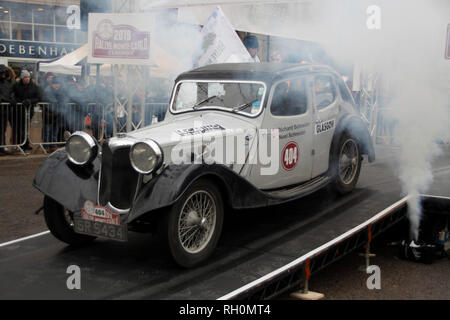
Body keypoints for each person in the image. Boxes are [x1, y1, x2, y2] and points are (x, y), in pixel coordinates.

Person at [12, 70, 42, 151]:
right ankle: (20, 144)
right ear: (22, 78)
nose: (27, 79)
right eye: (25, 77)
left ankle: (26, 144)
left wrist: (30, 101)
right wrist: (17, 101)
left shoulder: (34, 86)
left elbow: (38, 97)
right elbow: (12, 95)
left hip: (29, 110)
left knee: (26, 128)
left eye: (28, 77)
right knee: (19, 128)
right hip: (18, 110)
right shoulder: (16, 86)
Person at [43, 76, 66, 152]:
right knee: (47, 131)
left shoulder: (61, 91)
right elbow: (53, 101)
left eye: (58, 84)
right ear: (52, 84)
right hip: (48, 114)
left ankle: (53, 146)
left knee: (54, 131)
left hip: (57, 114)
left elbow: (63, 100)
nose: (57, 85)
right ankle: (46, 146)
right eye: (55, 84)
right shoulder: (48, 91)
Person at [0, 64, 16, 155]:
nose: (3, 74)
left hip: (5, 110)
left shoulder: (7, 83)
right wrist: (5, 100)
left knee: (3, 129)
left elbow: (11, 93)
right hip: (2, 108)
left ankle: (2, 146)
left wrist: (12, 100)